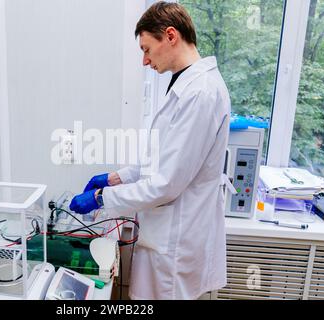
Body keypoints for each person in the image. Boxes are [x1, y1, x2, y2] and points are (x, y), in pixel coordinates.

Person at [69, 1, 230, 300]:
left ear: (170, 36)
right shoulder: (184, 84)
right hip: (166, 237)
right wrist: (115, 178)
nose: (145, 60)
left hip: (176, 242)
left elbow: (166, 183)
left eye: (146, 49)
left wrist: (101, 198)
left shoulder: (200, 93)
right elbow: (161, 161)